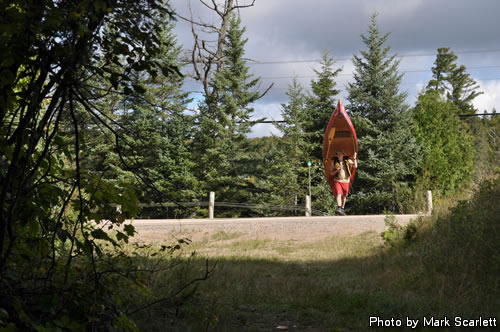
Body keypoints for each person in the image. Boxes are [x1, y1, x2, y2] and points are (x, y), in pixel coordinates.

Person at [331, 151, 357, 215]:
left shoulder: (347, 160)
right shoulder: (334, 162)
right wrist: (336, 170)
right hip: (338, 180)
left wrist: (354, 158)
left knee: (344, 195)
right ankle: (339, 207)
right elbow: (331, 173)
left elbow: (355, 166)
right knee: (338, 194)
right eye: (338, 154)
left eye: (340, 154)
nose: (339, 155)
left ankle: (342, 208)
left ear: (343, 155)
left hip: (346, 181)